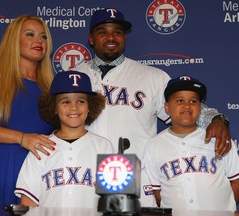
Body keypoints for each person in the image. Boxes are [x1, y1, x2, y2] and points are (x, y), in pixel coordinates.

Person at [74, 8, 231, 206]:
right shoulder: (74, 78)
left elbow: (184, 107)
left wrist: (217, 119)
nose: (111, 37)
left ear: (124, 37)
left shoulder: (152, 77)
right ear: (91, 38)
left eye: (117, 31)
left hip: (134, 175)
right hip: (82, 175)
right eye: (103, 31)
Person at [0, 15, 56, 207]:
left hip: (39, 171)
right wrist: (22, 138)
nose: (39, 40)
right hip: (1, 170)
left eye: (43, 36)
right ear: (15, 40)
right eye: (30, 34)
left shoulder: (51, 87)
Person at [15, 71, 114, 208]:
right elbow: (28, 203)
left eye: (81, 101)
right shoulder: (41, 148)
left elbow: (112, 201)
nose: (74, 107)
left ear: (90, 106)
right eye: (65, 101)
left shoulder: (103, 147)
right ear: (54, 107)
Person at [143, 76, 239, 211]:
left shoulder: (218, 138)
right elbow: (157, 192)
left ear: (200, 107)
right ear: (166, 107)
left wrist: (224, 209)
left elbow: (236, 180)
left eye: (193, 101)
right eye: (179, 100)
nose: (187, 105)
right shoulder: (154, 145)